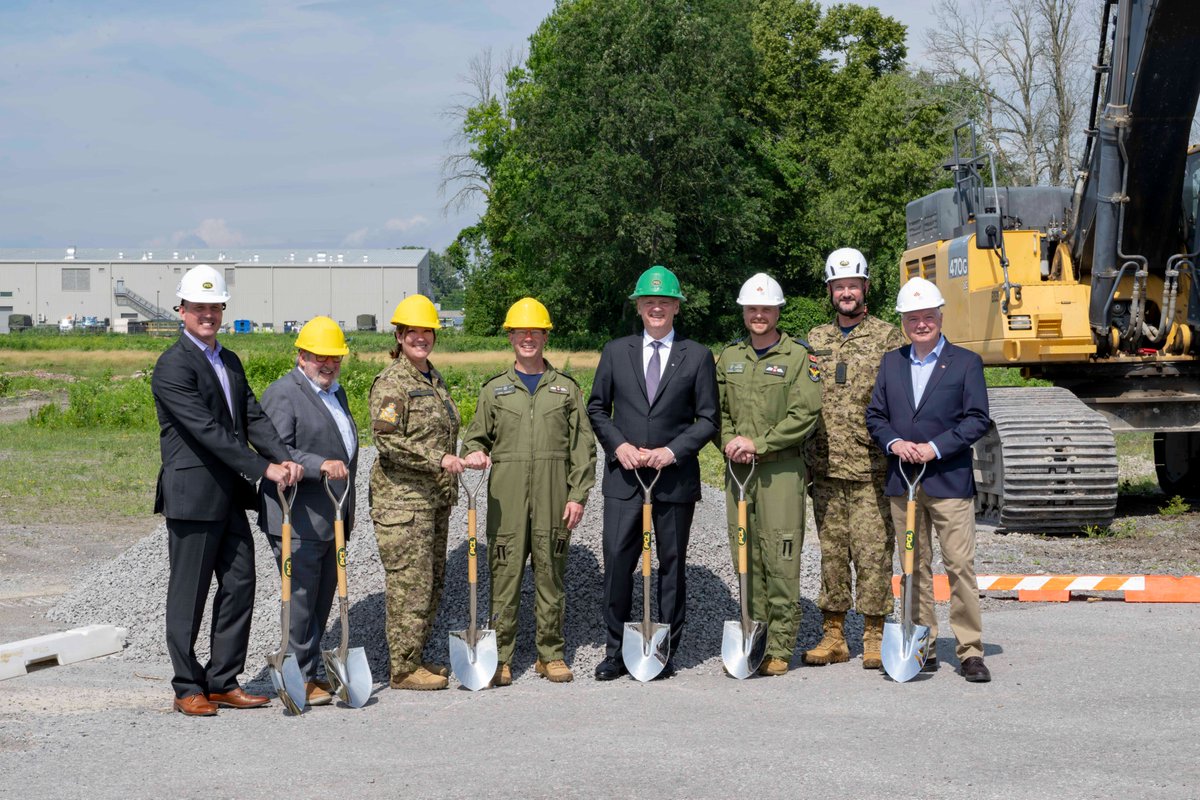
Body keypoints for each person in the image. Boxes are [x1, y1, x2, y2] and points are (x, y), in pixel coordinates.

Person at [151, 264, 303, 717]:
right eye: (198, 307)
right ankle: (186, 686)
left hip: (228, 496)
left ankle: (222, 680)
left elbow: (252, 415)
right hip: (193, 497)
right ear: (181, 310)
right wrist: (263, 470)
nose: (208, 315)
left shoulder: (229, 360)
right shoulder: (172, 366)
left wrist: (282, 456)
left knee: (240, 583)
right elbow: (207, 432)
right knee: (189, 594)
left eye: (215, 307)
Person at [587, 265, 719, 680]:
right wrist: (619, 446)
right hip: (625, 480)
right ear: (639, 307)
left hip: (673, 480)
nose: (656, 308)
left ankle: (663, 649)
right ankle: (615, 650)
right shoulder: (615, 351)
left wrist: (671, 451)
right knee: (618, 561)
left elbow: (708, 419)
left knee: (671, 564)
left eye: (664, 301)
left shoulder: (697, 356)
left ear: (677, 307)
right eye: (649, 301)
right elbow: (596, 408)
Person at [460, 298, 597, 686]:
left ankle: (550, 654)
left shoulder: (566, 390)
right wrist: (473, 453)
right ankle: (500, 657)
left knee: (551, 577)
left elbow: (583, 447)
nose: (528, 338)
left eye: (535, 332)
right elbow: (475, 438)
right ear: (510, 337)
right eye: (521, 332)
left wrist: (577, 495)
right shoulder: (494, 391)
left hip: (554, 496)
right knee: (504, 577)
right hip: (507, 500)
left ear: (545, 336)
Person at [865, 277, 992, 683]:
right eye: (913, 318)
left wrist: (934, 448)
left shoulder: (966, 363)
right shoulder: (892, 363)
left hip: (948, 480)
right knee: (912, 566)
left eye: (928, 317)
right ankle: (923, 644)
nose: (921, 324)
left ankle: (970, 651)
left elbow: (977, 419)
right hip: (905, 482)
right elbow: (876, 417)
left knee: (959, 566)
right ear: (904, 322)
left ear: (940, 316)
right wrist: (896, 442)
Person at [803, 248, 905, 670]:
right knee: (831, 553)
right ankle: (833, 635)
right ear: (830, 290)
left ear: (866, 287)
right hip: (825, 468)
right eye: (838, 286)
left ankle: (874, 634)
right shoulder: (815, 339)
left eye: (853, 285)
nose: (846, 292)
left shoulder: (888, 337)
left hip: (871, 469)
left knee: (873, 554)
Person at [716, 273, 821, 676]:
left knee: (780, 555)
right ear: (744, 312)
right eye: (752, 309)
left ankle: (779, 646)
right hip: (737, 471)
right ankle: (752, 637)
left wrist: (759, 443)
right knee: (746, 555)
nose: (759, 315)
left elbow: (805, 413)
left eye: (766, 309)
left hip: (780, 471)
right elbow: (719, 411)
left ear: (777, 311)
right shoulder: (729, 357)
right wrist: (730, 441)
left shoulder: (797, 357)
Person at [257, 316, 358, 707]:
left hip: (331, 515)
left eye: (335, 357)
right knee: (299, 598)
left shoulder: (335, 393)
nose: (329, 364)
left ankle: (311, 669)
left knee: (320, 598)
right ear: (301, 356)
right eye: (320, 357)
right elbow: (276, 449)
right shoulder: (284, 394)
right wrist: (320, 465)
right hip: (296, 515)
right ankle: (299, 676)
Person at [369, 294, 465, 691]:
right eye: (413, 332)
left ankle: (416, 657)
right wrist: (438, 458)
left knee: (432, 581)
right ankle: (403, 669)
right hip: (403, 503)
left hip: (433, 501)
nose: (421, 338)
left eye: (427, 332)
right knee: (411, 585)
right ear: (400, 335)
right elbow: (386, 440)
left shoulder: (430, 377)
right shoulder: (394, 382)